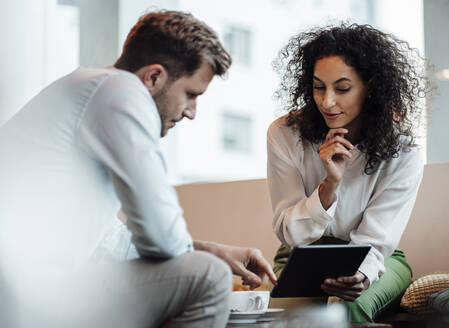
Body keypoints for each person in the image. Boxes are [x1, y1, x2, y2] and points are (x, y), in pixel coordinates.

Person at [0, 10, 276, 328]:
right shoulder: (119, 90)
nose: (191, 113)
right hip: (25, 293)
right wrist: (202, 257)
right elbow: (162, 239)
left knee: (205, 264)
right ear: (154, 77)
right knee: (206, 277)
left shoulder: (87, 91)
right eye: (190, 94)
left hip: (26, 286)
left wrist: (212, 250)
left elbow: (111, 243)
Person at [267, 23, 430, 322]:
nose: (327, 102)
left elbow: (377, 240)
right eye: (318, 87)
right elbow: (290, 232)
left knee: (346, 308)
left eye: (342, 88)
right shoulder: (285, 133)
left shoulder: (403, 150)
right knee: (288, 316)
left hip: (374, 255)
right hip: (300, 253)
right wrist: (330, 184)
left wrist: (361, 275)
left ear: (371, 86)